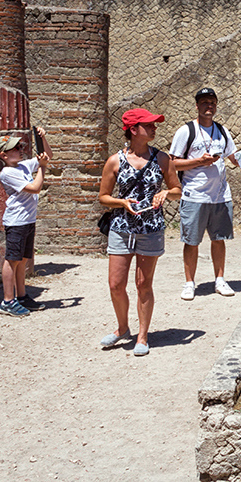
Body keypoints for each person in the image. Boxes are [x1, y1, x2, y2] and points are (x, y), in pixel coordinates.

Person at [97, 109, 181, 356]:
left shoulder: (163, 159)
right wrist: (122, 203)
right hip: (121, 228)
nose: (155, 128)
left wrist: (166, 193)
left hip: (150, 229)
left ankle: (142, 336)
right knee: (115, 284)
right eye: (149, 125)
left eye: (155, 124)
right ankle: (123, 328)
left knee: (143, 284)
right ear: (133, 130)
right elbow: (103, 197)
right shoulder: (115, 161)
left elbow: (177, 189)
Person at [169, 87, 241, 301]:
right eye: (204, 102)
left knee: (219, 239)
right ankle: (189, 283)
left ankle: (219, 280)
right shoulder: (186, 131)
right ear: (197, 106)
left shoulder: (222, 131)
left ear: (216, 105)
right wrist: (199, 162)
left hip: (220, 195)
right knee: (192, 241)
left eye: (212, 102)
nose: (208, 106)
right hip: (194, 195)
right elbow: (172, 164)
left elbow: (235, 160)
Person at [0, 128, 52, 317]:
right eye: (15, 148)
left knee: (23, 259)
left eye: (19, 146)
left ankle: (22, 296)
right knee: (12, 260)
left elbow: (48, 155)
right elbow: (35, 188)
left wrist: (43, 138)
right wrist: (42, 167)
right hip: (16, 221)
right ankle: (8, 301)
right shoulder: (7, 172)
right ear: (4, 155)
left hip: (28, 220)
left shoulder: (23, 165)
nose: (20, 149)